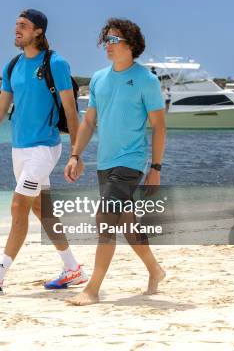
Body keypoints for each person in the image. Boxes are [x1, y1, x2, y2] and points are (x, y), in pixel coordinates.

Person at [0, 9, 88, 297]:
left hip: (45, 147)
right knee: (39, 208)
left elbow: (71, 110)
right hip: (19, 148)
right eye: (16, 25)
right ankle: (72, 268)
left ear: (38, 32)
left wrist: (76, 154)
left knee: (18, 206)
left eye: (23, 26)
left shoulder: (55, 63)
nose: (16, 30)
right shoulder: (12, 66)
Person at [64, 18, 167, 306]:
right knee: (127, 223)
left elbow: (159, 127)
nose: (107, 46)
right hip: (104, 162)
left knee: (104, 218)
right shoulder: (98, 78)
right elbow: (89, 121)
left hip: (131, 162)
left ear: (130, 44)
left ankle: (92, 289)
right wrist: (75, 154)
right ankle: (155, 270)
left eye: (113, 40)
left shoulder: (146, 80)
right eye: (105, 40)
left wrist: (156, 168)